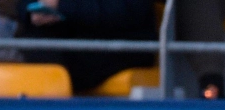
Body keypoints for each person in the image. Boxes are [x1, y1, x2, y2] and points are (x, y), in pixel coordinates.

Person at [18, 0, 156, 93]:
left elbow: (127, 11)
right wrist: (33, 12)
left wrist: (63, 6)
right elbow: (26, 4)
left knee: (50, 59)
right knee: (34, 44)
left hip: (118, 45)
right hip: (63, 36)